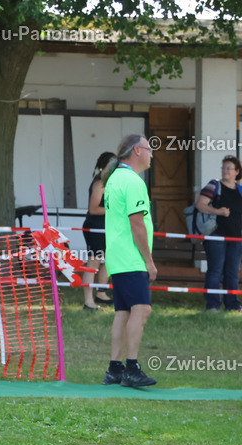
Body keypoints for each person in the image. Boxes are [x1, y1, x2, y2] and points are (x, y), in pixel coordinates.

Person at [101, 134, 158, 388]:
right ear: (137, 151)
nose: (152, 154)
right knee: (142, 309)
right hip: (131, 257)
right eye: (149, 149)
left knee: (122, 313)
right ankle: (132, 368)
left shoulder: (114, 179)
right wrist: (149, 260)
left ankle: (114, 368)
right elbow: (137, 224)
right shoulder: (133, 182)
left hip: (117, 256)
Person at [194, 155, 242, 313]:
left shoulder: (240, 190)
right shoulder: (214, 185)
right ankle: (213, 305)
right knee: (215, 271)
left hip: (236, 237)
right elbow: (200, 204)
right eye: (223, 167)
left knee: (232, 272)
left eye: (229, 168)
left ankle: (232, 304)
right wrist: (218, 211)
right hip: (215, 236)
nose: (225, 170)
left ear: (237, 172)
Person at [82, 152, 116, 310]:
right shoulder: (99, 183)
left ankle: (101, 294)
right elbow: (93, 209)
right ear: (105, 166)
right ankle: (88, 302)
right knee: (93, 263)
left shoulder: (110, 182)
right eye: (113, 164)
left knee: (109, 261)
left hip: (108, 228)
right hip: (95, 227)